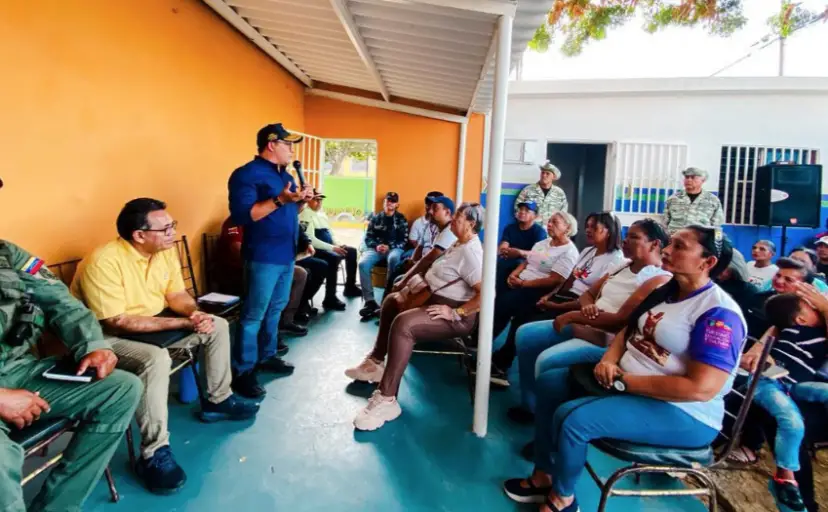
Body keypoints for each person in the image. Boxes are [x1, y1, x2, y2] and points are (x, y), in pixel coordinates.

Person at [503, 226, 746, 512]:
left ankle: (563, 500)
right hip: (628, 382)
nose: (667, 250)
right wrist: (608, 360)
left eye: (679, 246)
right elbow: (628, 330)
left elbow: (700, 388)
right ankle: (543, 474)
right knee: (550, 382)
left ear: (708, 263)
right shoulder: (667, 290)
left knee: (574, 420)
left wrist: (624, 382)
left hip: (683, 411)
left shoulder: (718, 314)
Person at [72, 198, 259, 495]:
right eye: (166, 227)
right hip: (104, 340)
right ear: (139, 235)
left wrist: (193, 313)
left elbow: (176, 294)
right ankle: (153, 453)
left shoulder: (162, 251)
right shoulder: (103, 261)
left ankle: (218, 400)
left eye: (173, 225)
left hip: (153, 324)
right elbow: (118, 322)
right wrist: (182, 324)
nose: (173, 232)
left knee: (217, 325)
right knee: (155, 360)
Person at [0, 240, 142, 512]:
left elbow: (57, 297)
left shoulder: (6, 252)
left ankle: (59, 507)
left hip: (17, 369)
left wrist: (94, 345)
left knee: (120, 390)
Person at [509, 218, 672, 421]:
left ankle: (551, 420)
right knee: (526, 334)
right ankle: (530, 405)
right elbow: (588, 294)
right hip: (587, 322)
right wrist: (588, 309)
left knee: (547, 361)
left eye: (634, 237)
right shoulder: (623, 266)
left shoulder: (657, 278)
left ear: (655, 244)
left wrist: (574, 316)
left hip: (607, 338)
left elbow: (619, 320)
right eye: (627, 236)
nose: (626, 241)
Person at [344, 203, 485, 431]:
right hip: (433, 300)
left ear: (471, 223)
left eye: (458, 216)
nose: (454, 219)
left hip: (454, 315)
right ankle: (375, 363)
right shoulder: (458, 244)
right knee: (391, 301)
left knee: (404, 324)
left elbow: (487, 294)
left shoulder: (471, 252)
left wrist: (456, 312)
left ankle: (387, 399)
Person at [227, 123, 311, 399]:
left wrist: (299, 201)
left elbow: (284, 210)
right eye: (288, 144)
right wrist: (279, 199)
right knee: (253, 315)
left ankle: (267, 355)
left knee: (275, 309)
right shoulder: (246, 175)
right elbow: (243, 216)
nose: (291, 150)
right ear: (271, 144)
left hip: (286, 254)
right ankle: (244, 371)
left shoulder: (283, 174)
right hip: (263, 255)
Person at [490, 212, 624, 384]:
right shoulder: (588, 251)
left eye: (594, 227)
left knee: (524, 322)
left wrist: (558, 305)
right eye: (587, 226)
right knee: (519, 312)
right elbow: (568, 280)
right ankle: (499, 361)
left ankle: (500, 363)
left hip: (580, 305)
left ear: (608, 231)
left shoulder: (614, 260)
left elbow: (594, 295)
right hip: (564, 297)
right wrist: (550, 296)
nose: (588, 231)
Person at [741, 290, 828, 511]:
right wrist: (764, 356)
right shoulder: (795, 330)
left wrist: (825, 308)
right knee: (789, 421)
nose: (816, 306)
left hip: (796, 384)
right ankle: (788, 482)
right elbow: (758, 354)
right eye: (811, 305)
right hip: (782, 383)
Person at [217, 217, 309, 337]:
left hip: (263, 264)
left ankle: (286, 321)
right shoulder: (235, 221)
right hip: (238, 271)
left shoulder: (260, 219)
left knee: (300, 273)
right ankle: (267, 332)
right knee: (273, 279)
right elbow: (237, 249)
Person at [298, 188, 361, 304]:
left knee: (351, 251)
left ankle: (350, 287)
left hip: (329, 246)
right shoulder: (305, 214)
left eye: (321, 200)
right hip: (316, 250)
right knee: (333, 258)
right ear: (309, 201)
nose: (319, 203)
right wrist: (333, 248)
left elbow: (330, 233)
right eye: (316, 200)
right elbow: (311, 239)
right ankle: (330, 297)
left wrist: (338, 244)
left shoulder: (321, 215)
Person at [357, 192, 409, 318]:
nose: (389, 203)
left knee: (394, 259)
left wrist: (390, 247)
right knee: (363, 263)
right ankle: (370, 302)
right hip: (376, 249)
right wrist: (376, 246)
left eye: (392, 201)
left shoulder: (401, 219)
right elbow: (368, 237)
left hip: (394, 249)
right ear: (384, 202)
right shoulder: (376, 218)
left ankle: (388, 297)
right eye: (387, 200)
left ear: (397, 204)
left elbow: (404, 240)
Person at [497, 201, 548, 291]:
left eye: (527, 210)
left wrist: (519, 252)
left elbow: (538, 254)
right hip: (507, 259)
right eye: (521, 209)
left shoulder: (539, 232)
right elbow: (504, 245)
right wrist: (504, 250)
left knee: (517, 264)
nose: (522, 212)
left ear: (535, 216)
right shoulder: (510, 228)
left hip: (527, 263)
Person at [663, 167, 724, 233]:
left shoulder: (712, 200)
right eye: (687, 177)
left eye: (693, 177)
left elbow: (717, 225)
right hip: (675, 239)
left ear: (702, 180)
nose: (689, 180)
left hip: (700, 240)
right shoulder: (673, 199)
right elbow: (666, 221)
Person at [514, 161, 568, 226]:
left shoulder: (559, 193)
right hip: (531, 230)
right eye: (542, 173)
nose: (544, 175)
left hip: (551, 231)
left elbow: (563, 214)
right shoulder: (528, 190)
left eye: (547, 174)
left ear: (553, 177)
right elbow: (517, 208)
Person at [406, 191, 444, 263]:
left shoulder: (447, 228)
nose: (429, 208)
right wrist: (412, 262)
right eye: (428, 204)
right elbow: (418, 246)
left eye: (434, 206)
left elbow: (434, 255)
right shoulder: (427, 225)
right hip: (423, 255)